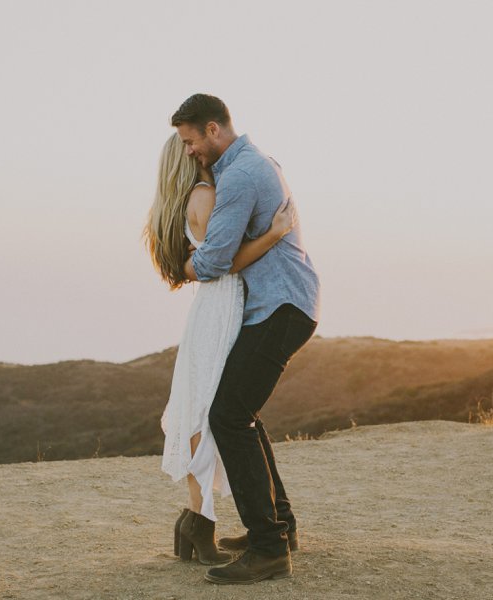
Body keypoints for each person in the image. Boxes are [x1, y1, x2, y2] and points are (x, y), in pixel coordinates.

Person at [172, 93, 320, 585]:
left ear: (213, 130)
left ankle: (269, 549)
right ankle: (281, 528)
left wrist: (184, 266)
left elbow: (213, 261)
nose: (190, 152)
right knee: (241, 413)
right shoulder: (259, 162)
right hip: (286, 304)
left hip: (279, 308)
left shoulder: (237, 177)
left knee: (228, 415)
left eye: (192, 142)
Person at [144, 132, 296, 565]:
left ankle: (196, 522)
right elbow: (224, 262)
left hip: (212, 308)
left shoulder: (185, 200)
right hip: (223, 304)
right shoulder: (206, 194)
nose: (198, 150)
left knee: (207, 408)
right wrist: (275, 233)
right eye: (189, 146)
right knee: (208, 410)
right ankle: (197, 519)